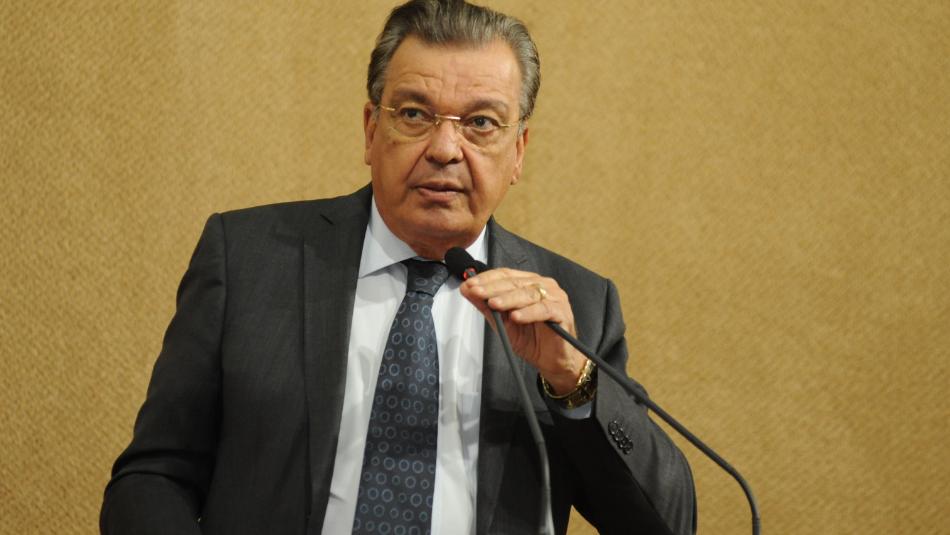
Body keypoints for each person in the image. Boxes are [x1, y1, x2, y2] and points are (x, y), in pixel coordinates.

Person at [100, 1, 696, 534]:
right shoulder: (249, 259)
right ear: (371, 130)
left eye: (481, 123)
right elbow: (152, 478)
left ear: (518, 152)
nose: (444, 149)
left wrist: (571, 381)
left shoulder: (578, 308)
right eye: (414, 114)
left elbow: (666, 523)